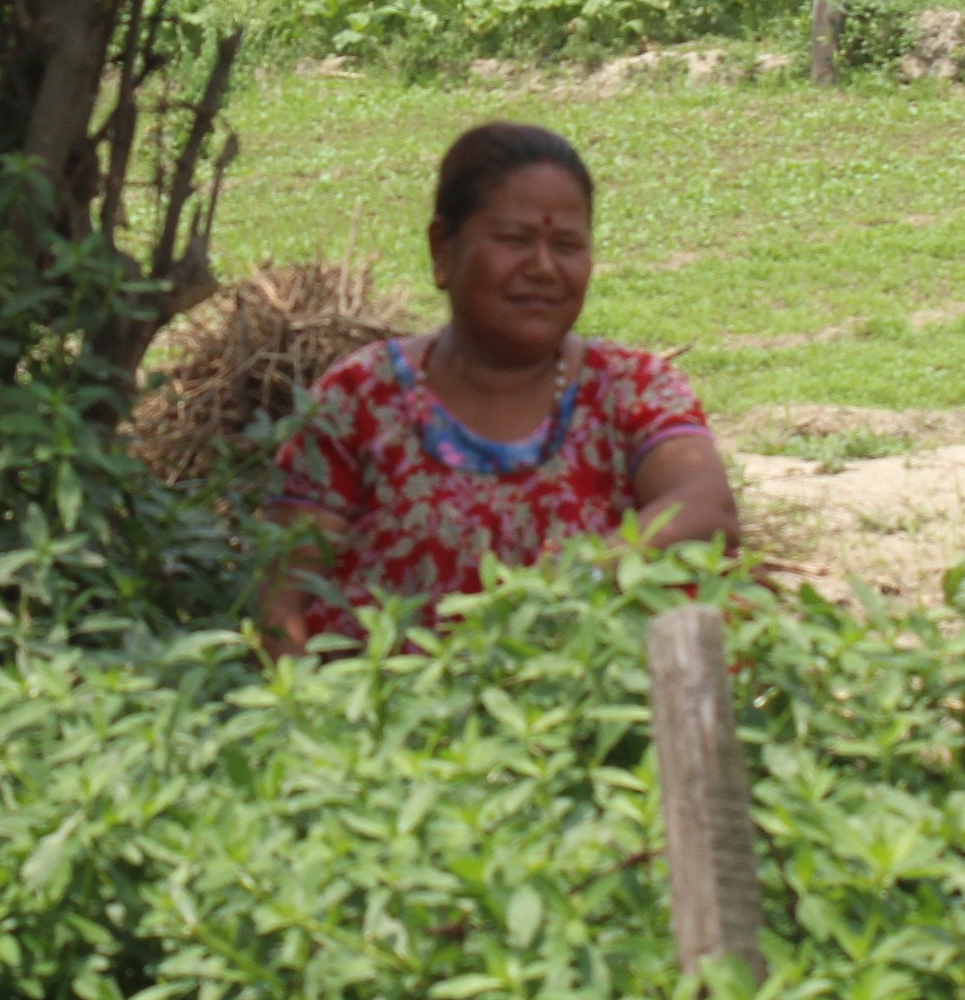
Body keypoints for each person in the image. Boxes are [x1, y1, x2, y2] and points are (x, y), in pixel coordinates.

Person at [262, 121, 736, 650]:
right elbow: (286, 594)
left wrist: (575, 579)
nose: (543, 268)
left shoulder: (632, 389)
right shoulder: (359, 397)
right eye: (515, 240)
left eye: (567, 245)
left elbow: (704, 505)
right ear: (443, 249)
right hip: (381, 717)